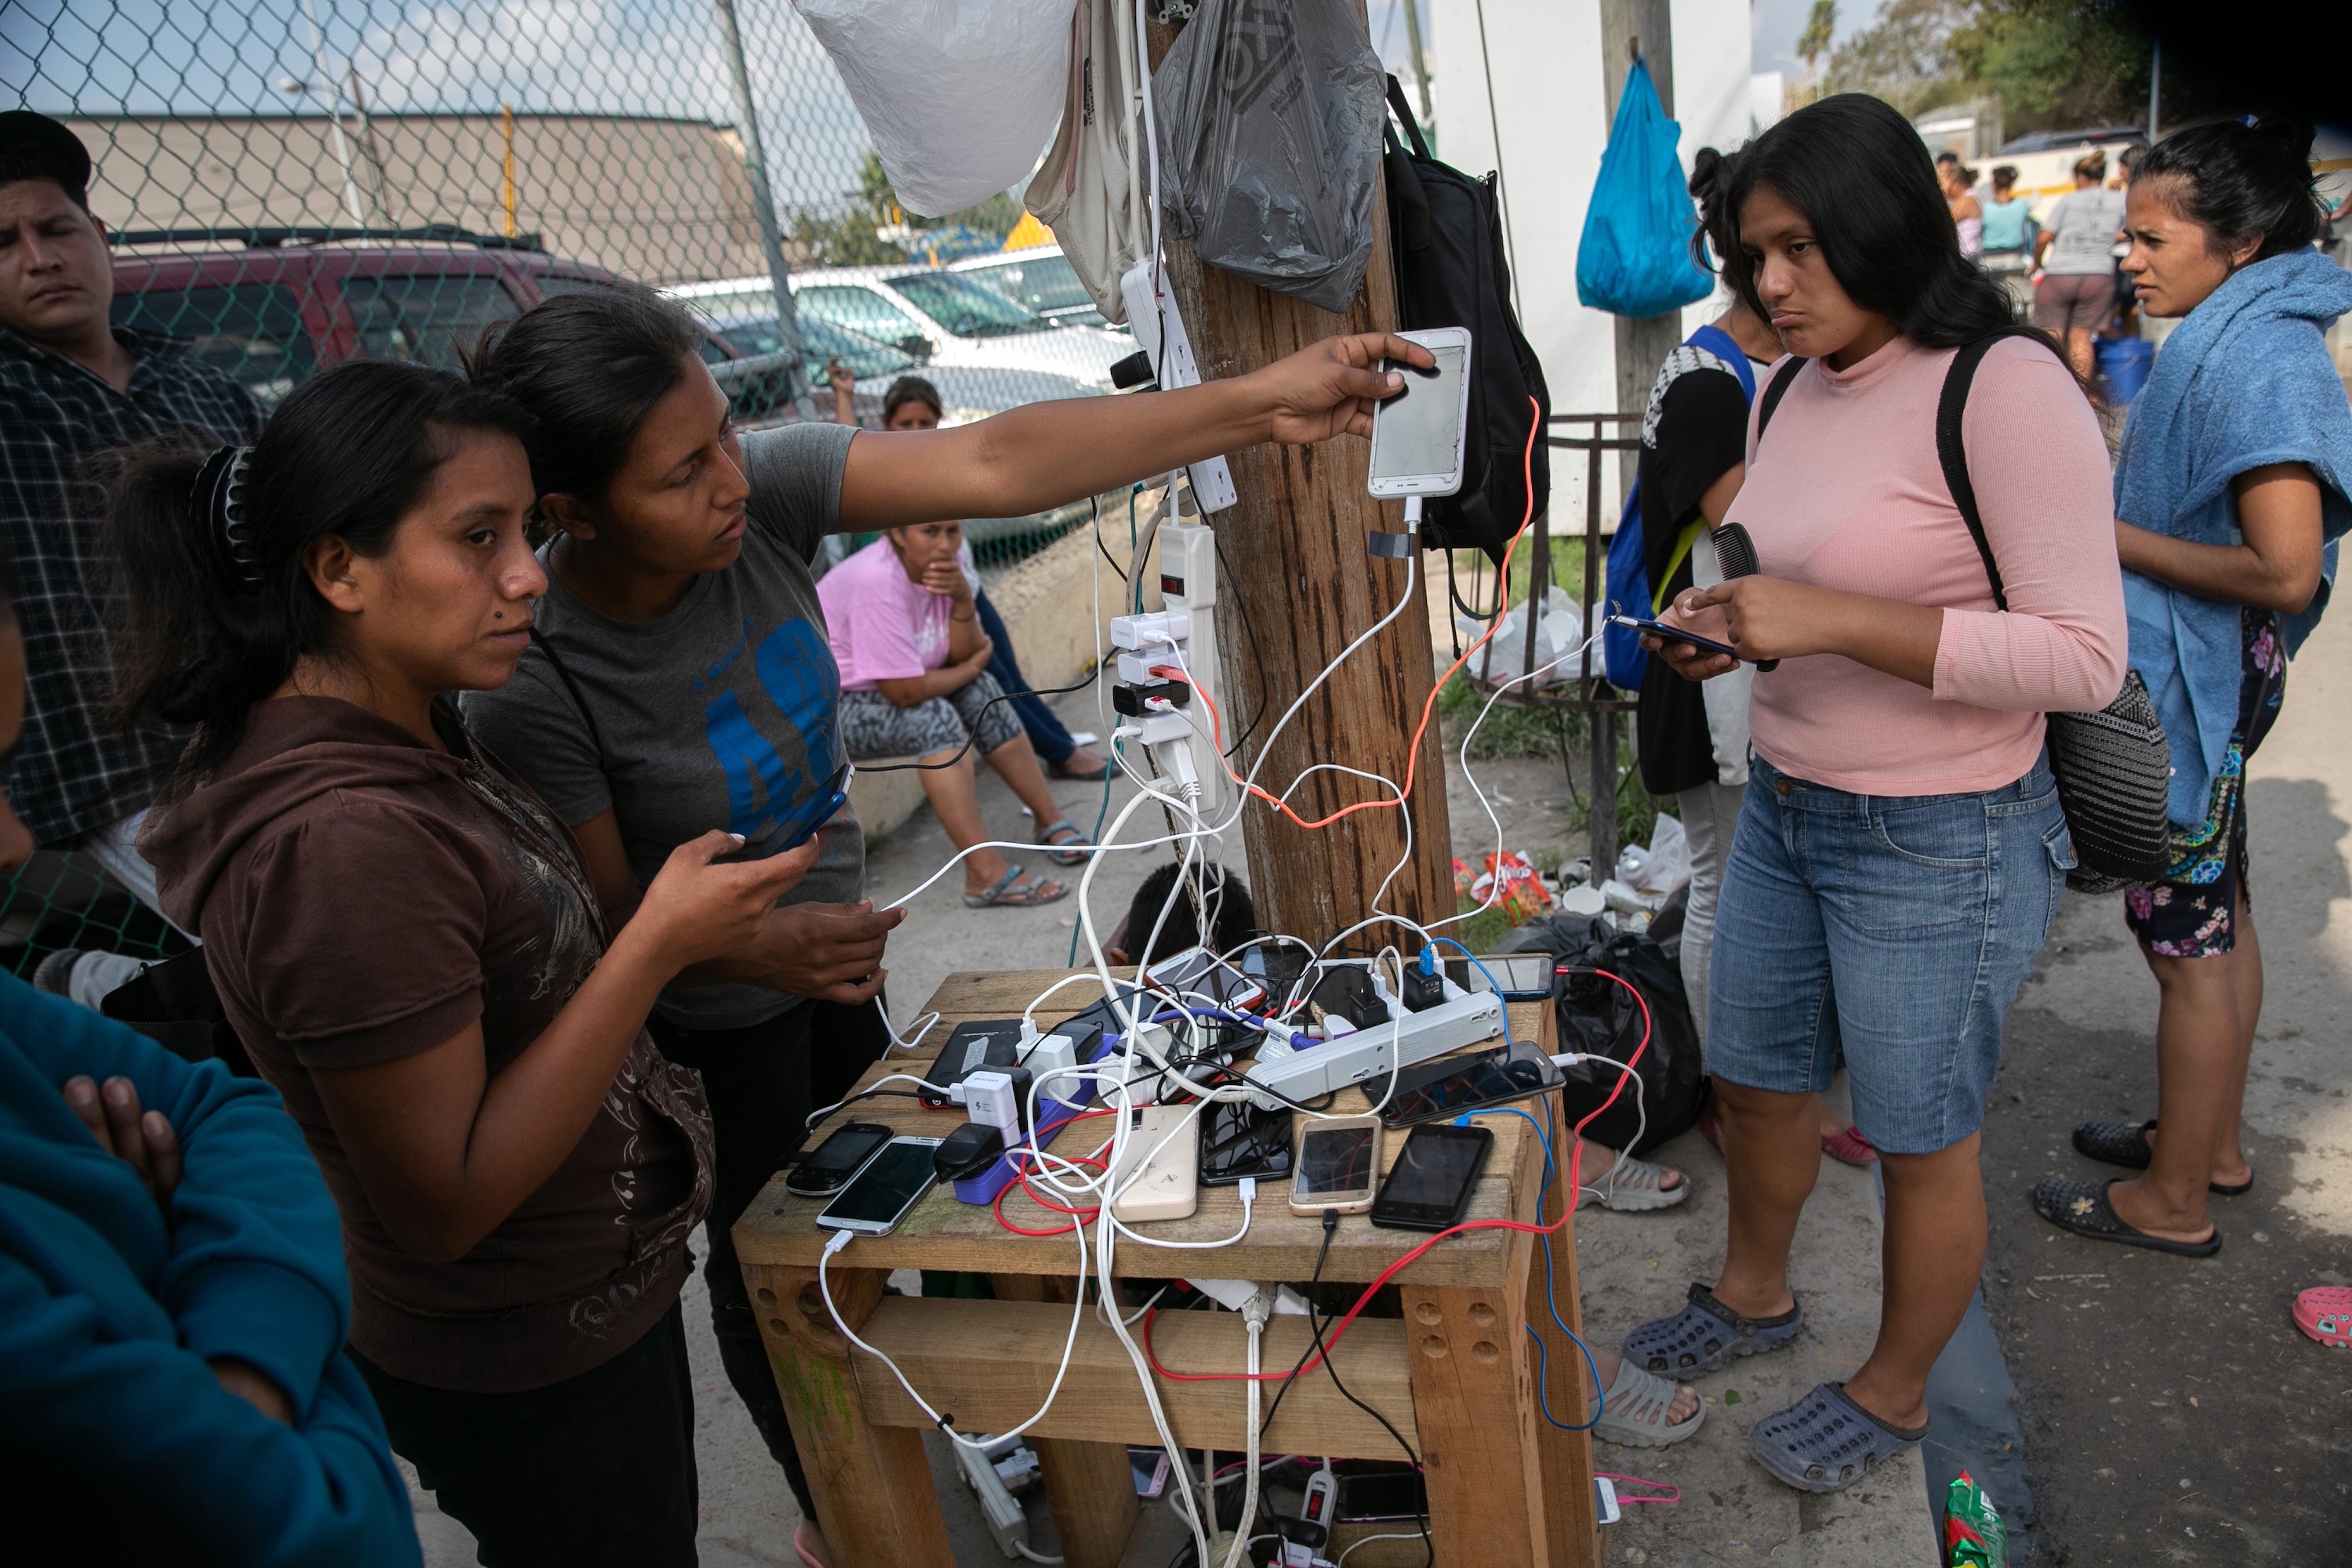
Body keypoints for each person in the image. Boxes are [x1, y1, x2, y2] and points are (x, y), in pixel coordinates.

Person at [459, 288, 1429, 1560]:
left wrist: (1256, 404)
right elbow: (607, 923)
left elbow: (995, 458)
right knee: (783, 1265)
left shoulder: (765, 496)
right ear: (574, 514)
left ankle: (1002, 1414)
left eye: (727, 438)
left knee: (942, 1185)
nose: (730, 481)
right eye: (681, 471)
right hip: (703, 1023)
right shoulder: (540, 679)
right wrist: (754, 949)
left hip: (830, 959)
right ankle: (842, 1513)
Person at [119, 359, 821, 1566]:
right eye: (477, 538)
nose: (528, 577)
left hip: (576, 1314)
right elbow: (443, 1200)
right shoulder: (342, 845)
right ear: (337, 569)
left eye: (530, 531)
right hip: (522, 1359)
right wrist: (656, 944)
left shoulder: (398, 725)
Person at [1627, 93, 2125, 1494]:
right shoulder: (1787, 383)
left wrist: (1832, 620)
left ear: (1884, 224)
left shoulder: (2004, 385)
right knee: (1760, 1082)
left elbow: (2083, 658)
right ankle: (1753, 1294)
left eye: (1798, 249)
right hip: (1789, 800)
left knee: (1917, 1136)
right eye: (1752, 254)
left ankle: (1899, 1391)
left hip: (1945, 834)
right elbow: (1789, 558)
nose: (1771, 286)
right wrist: (1721, 613)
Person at [0, 579, 420, 1566]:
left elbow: (223, 1104)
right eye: (479, 534)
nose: (19, 840)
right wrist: (150, 1236)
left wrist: (232, 1372)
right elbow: (340, 1528)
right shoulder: (328, 836)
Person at [2035, 118, 2352, 1258]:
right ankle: (2205, 1149)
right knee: (2223, 912)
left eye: (2154, 237)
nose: (2131, 257)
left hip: (2195, 686)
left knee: (2186, 944)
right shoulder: (2240, 329)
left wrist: (2104, 536)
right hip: (2207, 682)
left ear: (2244, 239)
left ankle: (2170, 1204)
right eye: (2125, 235)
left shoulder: (2263, 359)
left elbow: (2282, 566)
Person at [0, 111, 260, 1007]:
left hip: (264, 722)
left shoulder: (206, 386)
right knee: (296, 952)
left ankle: (131, 995)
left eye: (57, 228)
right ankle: (113, 992)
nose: (39, 257)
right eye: (3, 243)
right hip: (114, 765)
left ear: (100, 237)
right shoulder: (7, 403)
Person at [821, 515, 1088, 907]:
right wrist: (968, 667)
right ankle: (983, 874)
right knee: (936, 717)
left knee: (982, 691)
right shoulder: (875, 582)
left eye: (952, 531)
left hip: (894, 688)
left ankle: (1047, 817)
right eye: (929, 531)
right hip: (825, 711)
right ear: (896, 532)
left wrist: (963, 599)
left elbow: (962, 652)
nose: (945, 544)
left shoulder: (946, 567)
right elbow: (907, 691)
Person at [853, 374, 1109, 782]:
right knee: (998, 681)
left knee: (1011, 675)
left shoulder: (944, 462)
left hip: (968, 590)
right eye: (905, 424)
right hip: (942, 598)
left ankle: (1062, 745)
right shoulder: (890, 477)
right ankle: (1063, 754)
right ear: (887, 426)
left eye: (925, 423)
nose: (917, 432)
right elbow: (849, 452)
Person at [2034, 149, 2129, 380]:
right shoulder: (2118, 201)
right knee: (2081, 338)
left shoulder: (2068, 200)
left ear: (2080, 176)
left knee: (2052, 336)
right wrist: (2102, 237)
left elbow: (2044, 237)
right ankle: (2084, 392)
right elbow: (2128, 232)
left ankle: (2052, 387)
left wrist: (2037, 262)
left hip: (2060, 273)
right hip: (2098, 274)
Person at [1979, 166, 2037, 311]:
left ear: (1994, 185)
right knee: (2020, 303)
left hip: (1989, 260)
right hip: (2015, 258)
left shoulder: (1985, 208)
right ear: (2012, 183)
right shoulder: (2022, 205)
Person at [1943, 159, 1984, 262]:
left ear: (1953, 179)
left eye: (1942, 180)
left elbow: (1940, 223)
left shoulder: (1968, 200)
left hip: (1966, 260)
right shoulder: (1960, 199)